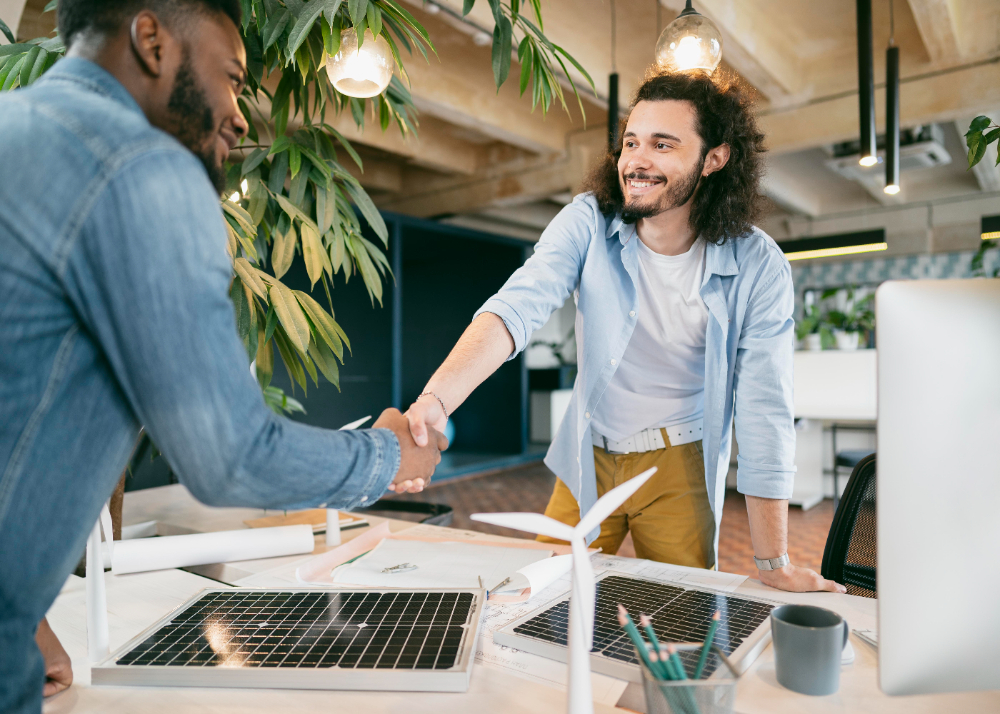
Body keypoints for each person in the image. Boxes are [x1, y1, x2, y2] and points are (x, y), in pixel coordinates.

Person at [0, 2, 446, 711]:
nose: (239, 116)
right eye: (232, 78)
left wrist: (23, 616)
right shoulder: (144, 166)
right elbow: (229, 454)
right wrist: (389, 457)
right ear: (151, 39)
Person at [405, 71, 846, 595]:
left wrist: (773, 562)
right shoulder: (588, 222)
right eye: (631, 142)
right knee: (544, 598)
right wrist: (438, 398)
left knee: (683, 611)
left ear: (714, 158)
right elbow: (518, 306)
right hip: (588, 454)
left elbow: (763, 409)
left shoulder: (757, 264)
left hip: (679, 463)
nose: (636, 160)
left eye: (663, 144)